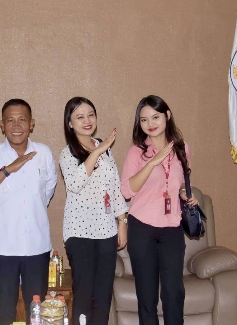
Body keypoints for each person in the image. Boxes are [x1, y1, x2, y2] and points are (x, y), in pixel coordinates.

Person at [0, 99, 58, 325]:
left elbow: (47, 192)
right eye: (10, 120)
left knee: (36, 311)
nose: (16, 125)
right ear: (2, 125)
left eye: (22, 120)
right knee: (5, 311)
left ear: (32, 124)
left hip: (37, 247)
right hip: (3, 248)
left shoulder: (44, 153)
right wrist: (9, 169)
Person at [120, 95, 199, 325]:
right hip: (142, 228)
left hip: (172, 228)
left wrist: (184, 194)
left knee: (174, 293)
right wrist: (152, 163)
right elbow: (127, 191)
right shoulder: (137, 152)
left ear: (167, 115)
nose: (150, 124)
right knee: (147, 296)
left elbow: (179, 183)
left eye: (155, 117)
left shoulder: (183, 149)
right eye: (144, 120)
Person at [59, 97, 128, 325]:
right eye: (80, 117)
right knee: (84, 292)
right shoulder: (68, 153)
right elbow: (75, 184)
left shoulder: (104, 148)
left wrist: (122, 221)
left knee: (103, 295)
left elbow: (115, 187)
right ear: (70, 123)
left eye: (90, 115)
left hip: (107, 231)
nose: (87, 120)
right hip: (79, 232)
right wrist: (97, 151)